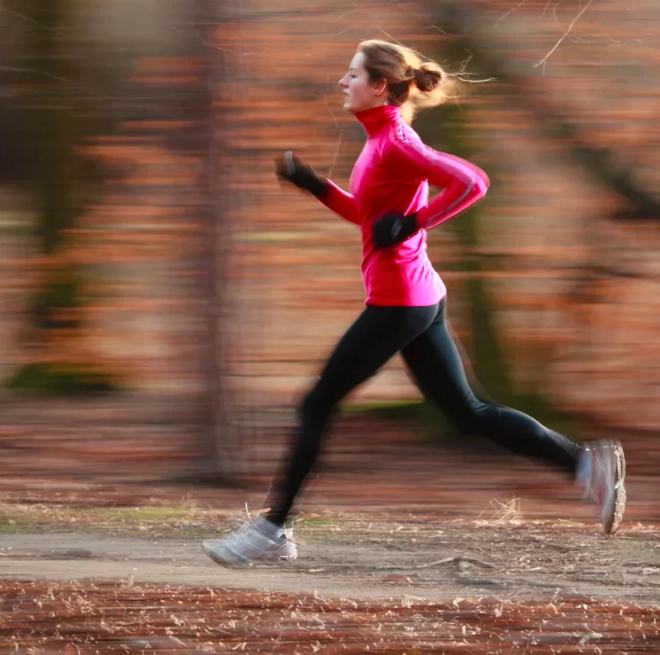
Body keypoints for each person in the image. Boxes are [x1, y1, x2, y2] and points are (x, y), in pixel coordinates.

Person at [203, 39, 625, 568]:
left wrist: (415, 222)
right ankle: (585, 464)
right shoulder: (381, 141)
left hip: (400, 300)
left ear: (380, 85)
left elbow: (473, 181)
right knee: (466, 411)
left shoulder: (396, 142)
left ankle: (272, 530)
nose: (343, 81)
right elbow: (370, 216)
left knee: (316, 404)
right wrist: (316, 186)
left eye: (352, 74)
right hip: (419, 294)